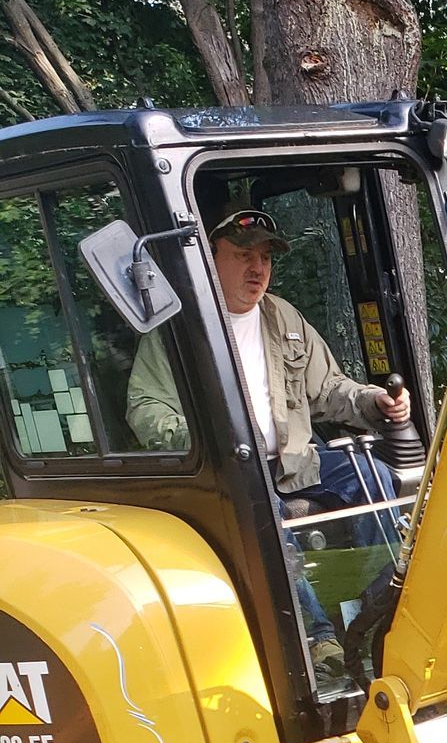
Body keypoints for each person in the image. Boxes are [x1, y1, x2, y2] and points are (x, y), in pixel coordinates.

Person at [127, 205, 414, 684]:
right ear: (210, 258)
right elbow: (144, 406)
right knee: (265, 510)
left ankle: (379, 616)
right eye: (242, 255)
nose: (257, 268)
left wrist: (375, 402)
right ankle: (318, 639)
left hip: (294, 460)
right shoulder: (179, 328)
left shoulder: (284, 318)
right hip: (230, 471)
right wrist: (210, 439)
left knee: (375, 478)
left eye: (264, 257)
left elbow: (328, 390)